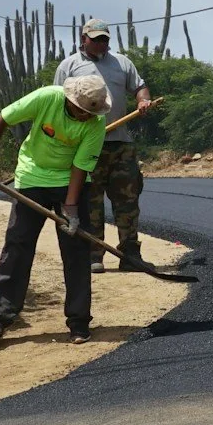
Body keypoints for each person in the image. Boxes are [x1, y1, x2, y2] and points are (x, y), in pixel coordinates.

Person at [0, 73, 112, 343]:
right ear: (70, 100)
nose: (84, 116)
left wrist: (70, 208)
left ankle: (79, 321)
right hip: (31, 178)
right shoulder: (47, 97)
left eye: (88, 113)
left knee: (76, 252)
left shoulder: (96, 122)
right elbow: (3, 118)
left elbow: (81, 166)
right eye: (79, 111)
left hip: (70, 183)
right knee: (17, 247)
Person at [55, 19, 158, 272]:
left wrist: (143, 101)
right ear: (84, 38)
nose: (102, 43)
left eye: (105, 39)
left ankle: (130, 254)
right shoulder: (69, 66)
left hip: (120, 143)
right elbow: (59, 101)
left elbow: (140, 87)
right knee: (91, 201)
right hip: (85, 146)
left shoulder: (122, 63)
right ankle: (94, 255)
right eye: (96, 38)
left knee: (128, 199)